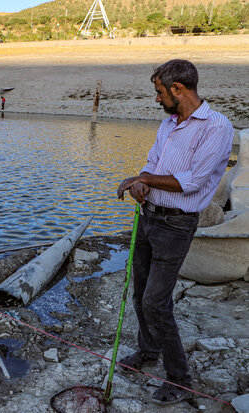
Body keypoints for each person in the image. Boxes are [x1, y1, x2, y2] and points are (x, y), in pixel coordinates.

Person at [116, 59, 233, 406]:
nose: (157, 99)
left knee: (156, 301)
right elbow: (151, 165)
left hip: (176, 224)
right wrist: (141, 183)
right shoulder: (168, 125)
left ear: (178, 90)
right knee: (140, 293)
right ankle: (148, 350)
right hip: (148, 216)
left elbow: (193, 182)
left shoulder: (216, 127)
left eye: (159, 92)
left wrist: (143, 180)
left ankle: (179, 377)